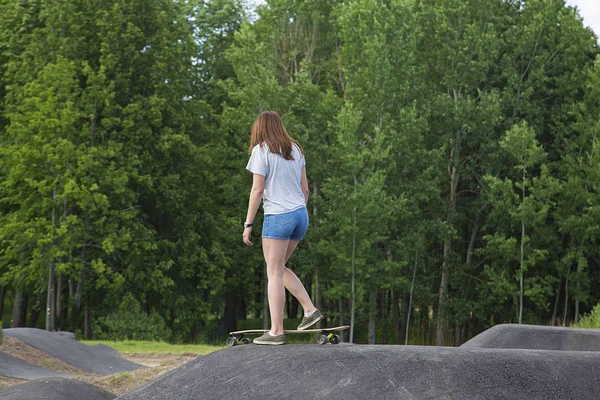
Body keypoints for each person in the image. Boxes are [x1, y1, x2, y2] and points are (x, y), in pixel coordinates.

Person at [243, 111, 323, 345]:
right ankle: (309, 309)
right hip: (300, 215)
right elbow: (305, 190)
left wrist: (248, 224)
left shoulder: (261, 150)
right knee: (277, 267)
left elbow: (257, 190)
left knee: (274, 272)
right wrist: (296, 211)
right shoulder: (295, 149)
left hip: (279, 216)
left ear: (260, 129)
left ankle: (277, 331)